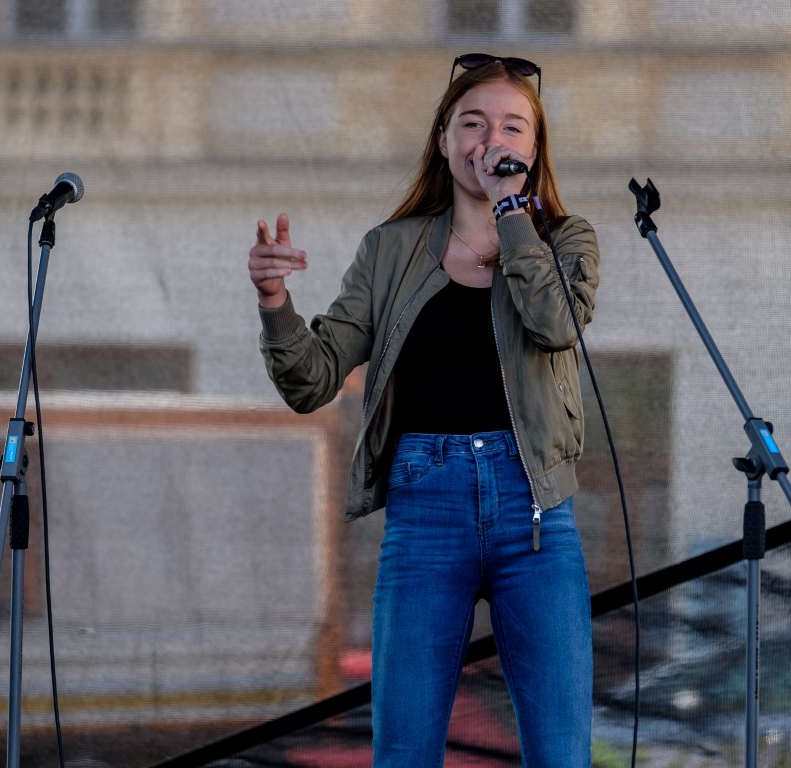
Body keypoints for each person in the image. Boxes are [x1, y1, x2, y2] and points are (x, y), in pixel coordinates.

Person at [247, 54, 600, 767]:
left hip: (534, 513)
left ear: (534, 150)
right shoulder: (391, 248)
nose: (490, 140)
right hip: (425, 506)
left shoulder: (565, 239)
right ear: (443, 140)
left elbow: (555, 323)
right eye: (472, 124)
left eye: (511, 127)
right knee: (404, 751)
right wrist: (275, 303)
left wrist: (511, 214)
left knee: (561, 754)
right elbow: (310, 382)